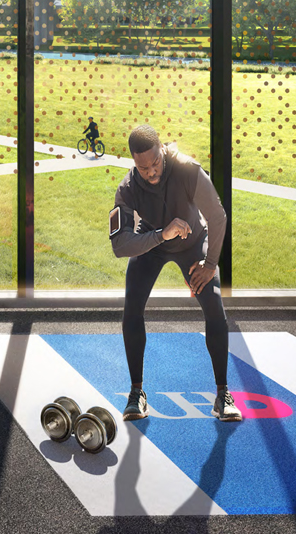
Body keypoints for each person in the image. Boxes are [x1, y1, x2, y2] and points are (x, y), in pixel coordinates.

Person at [109, 124, 239, 423]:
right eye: (144, 168)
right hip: (154, 242)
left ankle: (223, 395)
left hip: (193, 244)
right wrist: (161, 235)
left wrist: (209, 265)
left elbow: (218, 217)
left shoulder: (187, 170)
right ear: (133, 162)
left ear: (162, 152)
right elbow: (120, 245)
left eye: (156, 163)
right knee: (132, 310)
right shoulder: (127, 189)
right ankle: (136, 393)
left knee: (214, 307)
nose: (152, 171)